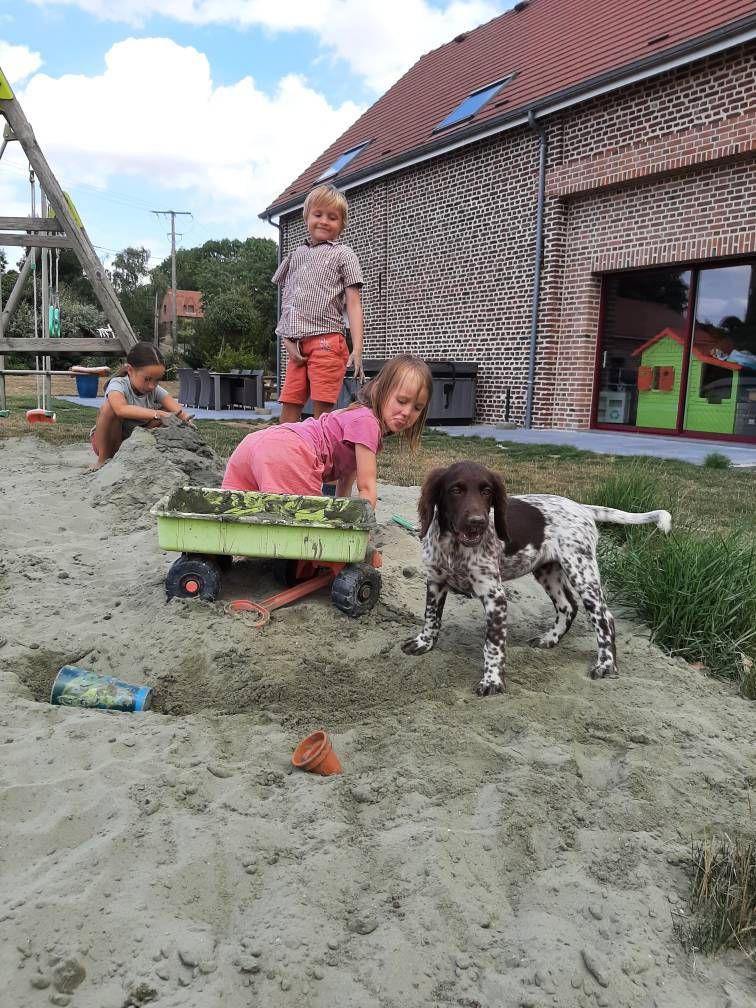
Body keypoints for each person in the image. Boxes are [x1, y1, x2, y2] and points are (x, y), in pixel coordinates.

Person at [222, 355, 432, 511]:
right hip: (291, 452)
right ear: (379, 390)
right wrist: (362, 535)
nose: (407, 412)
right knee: (305, 523)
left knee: (232, 511)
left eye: (417, 407)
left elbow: (346, 479)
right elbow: (367, 488)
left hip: (258, 442)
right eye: (402, 401)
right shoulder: (368, 423)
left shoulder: (356, 415)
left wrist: (341, 515)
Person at [274, 182, 364, 424]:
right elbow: (289, 300)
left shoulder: (344, 254)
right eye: (318, 214)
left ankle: (321, 458)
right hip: (297, 345)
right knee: (289, 405)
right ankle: (283, 455)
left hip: (327, 341)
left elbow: (354, 304)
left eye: (332, 217)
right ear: (307, 217)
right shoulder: (296, 255)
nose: (324, 221)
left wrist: (357, 348)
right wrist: (287, 340)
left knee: (322, 413)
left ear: (342, 225)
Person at [86, 342, 194, 471]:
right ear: (130, 370)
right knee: (109, 407)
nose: (152, 385)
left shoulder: (154, 389)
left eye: (157, 380)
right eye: (147, 379)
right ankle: (102, 460)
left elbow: (177, 410)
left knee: (169, 412)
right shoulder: (118, 385)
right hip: (107, 442)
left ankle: (146, 454)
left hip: (132, 443)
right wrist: (157, 414)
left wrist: (186, 418)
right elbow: (121, 409)